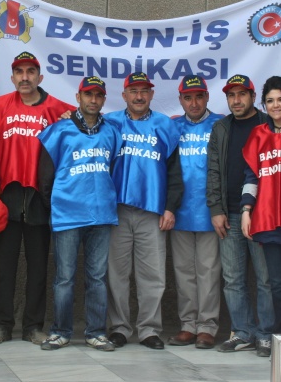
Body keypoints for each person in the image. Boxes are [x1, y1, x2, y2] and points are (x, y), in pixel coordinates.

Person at [0, 52, 74, 345]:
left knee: (38, 268)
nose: (25, 77)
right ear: (12, 78)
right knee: (4, 267)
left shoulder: (57, 109)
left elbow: (87, 122)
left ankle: (33, 326)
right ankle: (2, 325)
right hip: (7, 197)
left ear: (40, 77)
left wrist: (73, 119)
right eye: (19, 72)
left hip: (40, 199)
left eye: (30, 71)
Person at [36, 76, 122, 351]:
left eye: (98, 95)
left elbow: (114, 170)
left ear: (104, 99)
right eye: (88, 94)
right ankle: (60, 332)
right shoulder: (59, 130)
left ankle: (96, 332)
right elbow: (45, 176)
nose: (93, 100)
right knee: (64, 278)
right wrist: (55, 206)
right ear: (78, 97)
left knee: (97, 278)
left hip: (101, 215)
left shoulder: (113, 131)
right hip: (68, 215)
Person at [104, 72, 182, 350]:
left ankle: (149, 330)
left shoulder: (165, 125)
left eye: (144, 91)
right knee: (116, 274)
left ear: (151, 94)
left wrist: (170, 207)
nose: (139, 96)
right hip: (116, 211)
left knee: (153, 275)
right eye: (133, 91)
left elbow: (175, 172)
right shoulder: (110, 123)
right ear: (124, 95)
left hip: (153, 211)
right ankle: (119, 328)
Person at [206, 74, 274, 357]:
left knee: (265, 279)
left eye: (241, 94)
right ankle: (242, 332)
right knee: (233, 279)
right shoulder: (221, 128)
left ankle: (266, 335)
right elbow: (213, 171)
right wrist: (216, 210)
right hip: (230, 214)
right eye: (231, 95)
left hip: (263, 214)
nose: (236, 100)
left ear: (253, 96)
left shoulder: (268, 124)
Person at [240, 76, 281, 357]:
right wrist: (246, 210)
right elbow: (251, 177)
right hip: (268, 221)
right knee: (278, 285)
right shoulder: (258, 134)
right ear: (263, 104)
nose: (275, 105)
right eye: (270, 100)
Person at [168, 76, 223, 349]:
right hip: (179, 212)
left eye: (199, 96)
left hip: (210, 213)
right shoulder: (172, 126)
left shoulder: (221, 125)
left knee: (208, 272)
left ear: (207, 97)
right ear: (180, 100)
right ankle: (188, 325)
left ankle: (207, 327)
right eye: (188, 97)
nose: (194, 103)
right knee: (183, 273)